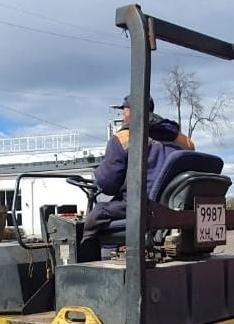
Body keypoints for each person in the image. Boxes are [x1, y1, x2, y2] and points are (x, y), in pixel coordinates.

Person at [77, 94, 194, 262]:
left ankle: (87, 267)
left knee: (96, 216)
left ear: (130, 111)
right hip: (174, 207)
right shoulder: (184, 141)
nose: (122, 115)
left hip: (141, 207)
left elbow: (107, 184)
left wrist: (100, 175)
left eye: (123, 110)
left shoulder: (123, 138)